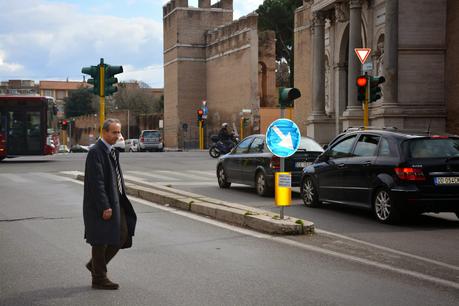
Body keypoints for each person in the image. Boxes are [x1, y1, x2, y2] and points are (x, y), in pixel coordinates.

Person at [83, 118, 137, 290]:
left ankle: (95, 266)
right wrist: (104, 206)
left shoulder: (111, 151)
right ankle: (99, 277)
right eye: (114, 132)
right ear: (104, 132)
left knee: (122, 235)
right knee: (100, 240)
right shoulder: (96, 152)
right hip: (102, 204)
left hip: (116, 200)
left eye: (119, 132)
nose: (118, 135)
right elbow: (96, 183)